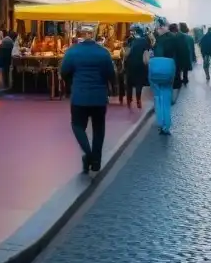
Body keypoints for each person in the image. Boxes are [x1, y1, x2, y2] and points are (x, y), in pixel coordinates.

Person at [61, 25, 115, 172]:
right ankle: (96, 161)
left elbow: (64, 71)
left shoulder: (72, 52)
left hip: (79, 96)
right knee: (98, 128)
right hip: (98, 97)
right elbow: (111, 74)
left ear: (80, 35)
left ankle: (89, 154)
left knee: (77, 126)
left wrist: (71, 83)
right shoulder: (103, 53)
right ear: (94, 35)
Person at [149, 22, 176, 134]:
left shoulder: (155, 40)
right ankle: (166, 125)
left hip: (155, 70)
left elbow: (151, 55)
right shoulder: (173, 39)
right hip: (169, 69)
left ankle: (161, 122)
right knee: (166, 98)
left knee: (157, 98)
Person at [122, 27, 149, 109]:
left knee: (129, 83)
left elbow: (127, 54)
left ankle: (129, 100)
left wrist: (124, 58)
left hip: (131, 64)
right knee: (139, 83)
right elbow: (146, 54)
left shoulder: (131, 40)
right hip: (140, 65)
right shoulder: (145, 41)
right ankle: (138, 100)